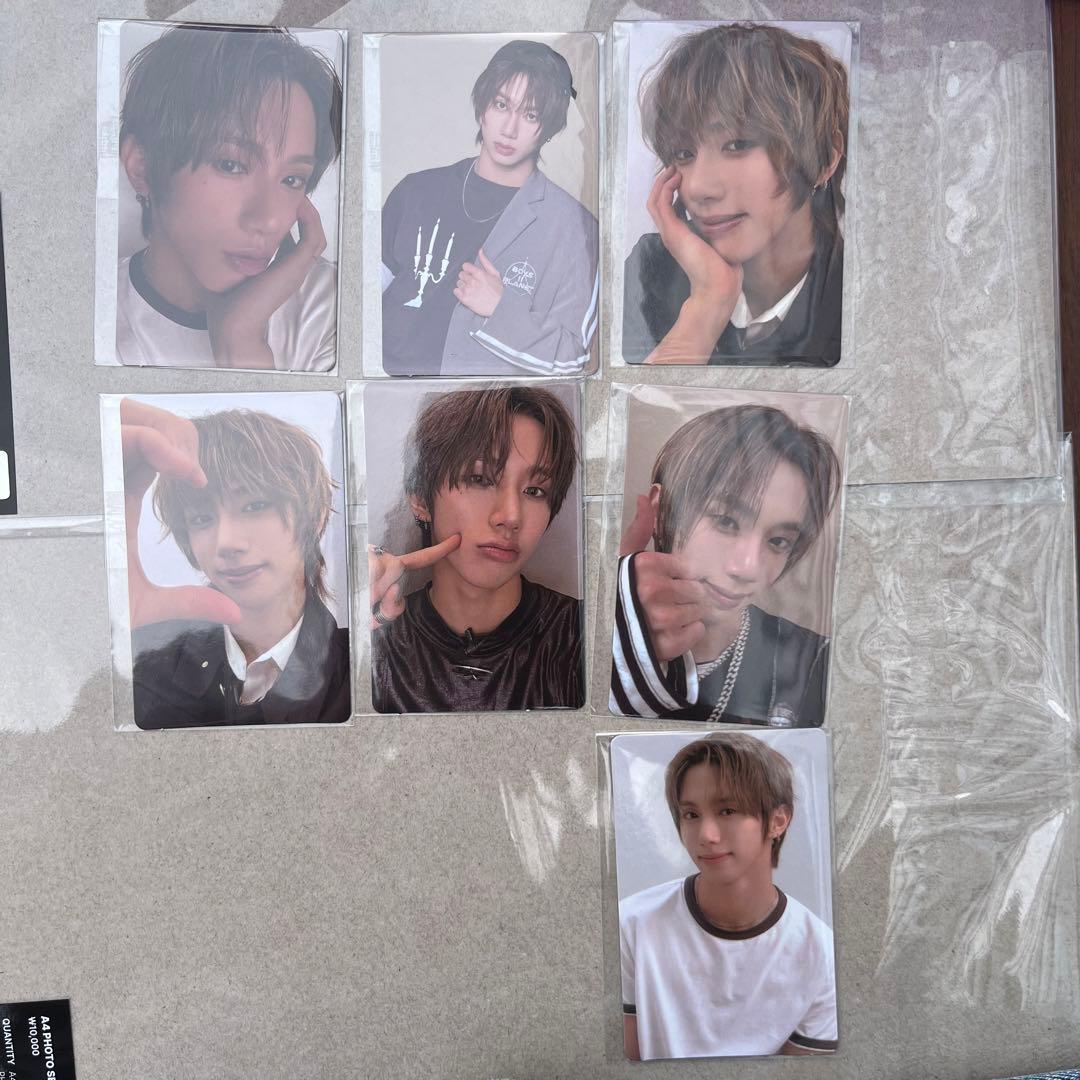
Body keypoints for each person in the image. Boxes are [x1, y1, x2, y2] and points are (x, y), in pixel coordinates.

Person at [114, 24, 343, 370]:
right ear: (142, 167)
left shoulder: (332, 310)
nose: (269, 220)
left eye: (292, 179)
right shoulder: (93, 320)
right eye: (231, 165)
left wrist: (241, 343)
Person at [622, 23, 848, 367]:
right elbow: (633, 400)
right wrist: (708, 303)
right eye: (683, 153)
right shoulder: (652, 269)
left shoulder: (859, 296)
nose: (698, 187)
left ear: (824, 157)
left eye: (737, 144)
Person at [120, 398, 350, 728]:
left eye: (255, 506)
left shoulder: (366, 664)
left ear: (313, 516)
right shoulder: (147, 662)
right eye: (201, 518)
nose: (226, 542)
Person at [380, 39, 599, 376]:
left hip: (481, 406)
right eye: (501, 105)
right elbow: (360, 308)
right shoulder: (415, 191)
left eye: (531, 115)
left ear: (550, 128)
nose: (509, 129)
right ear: (483, 106)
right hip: (386, 393)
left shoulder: (576, 229)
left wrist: (500, 309)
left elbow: (574, 359)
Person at [609, 404, 840, 724]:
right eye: (726, 521)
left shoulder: (816, 665)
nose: (748, 568)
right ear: (660, 512)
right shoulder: (578, 638)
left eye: (778, 541)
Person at [619, 734, 837, 1060]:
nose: (706, 836)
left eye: (727, 810)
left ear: (778, 820)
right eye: (691, 815)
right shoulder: (631, 926)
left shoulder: (820, 954)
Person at [369, 386, 582, 711]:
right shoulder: (373, 641)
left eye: (535, 490)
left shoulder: (584, 636)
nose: (511, 517)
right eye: (480, 479)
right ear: (421, 499)